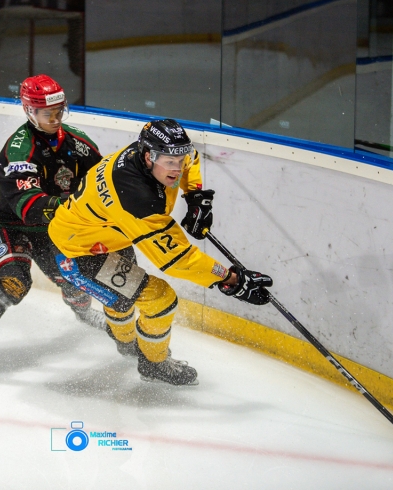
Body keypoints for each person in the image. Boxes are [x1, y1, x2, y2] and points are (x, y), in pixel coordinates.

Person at [48, 119, 274, 386]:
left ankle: (126, 343)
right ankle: (153, 363)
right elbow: (177, 260)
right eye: (169, 162)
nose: (177, 168)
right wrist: (230, 280)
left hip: (107, 236)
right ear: (148, 156)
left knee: (121, 301)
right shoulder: (137, 199)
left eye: (180, 159)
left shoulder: (155, 153)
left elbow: (191, 158)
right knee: (159, 299)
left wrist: (195, 196)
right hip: (78, 252)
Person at [0, 74, 104, 380]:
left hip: (54, 230)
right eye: (47, 113)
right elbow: (30, 207)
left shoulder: (79, 143)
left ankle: (81, 313)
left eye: (59, 111)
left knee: (75, 281)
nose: (55, 119)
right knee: (13, 285)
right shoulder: (18, 151)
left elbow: (102, 183)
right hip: (12, 227)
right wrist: (77, 211)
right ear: (29, 111)